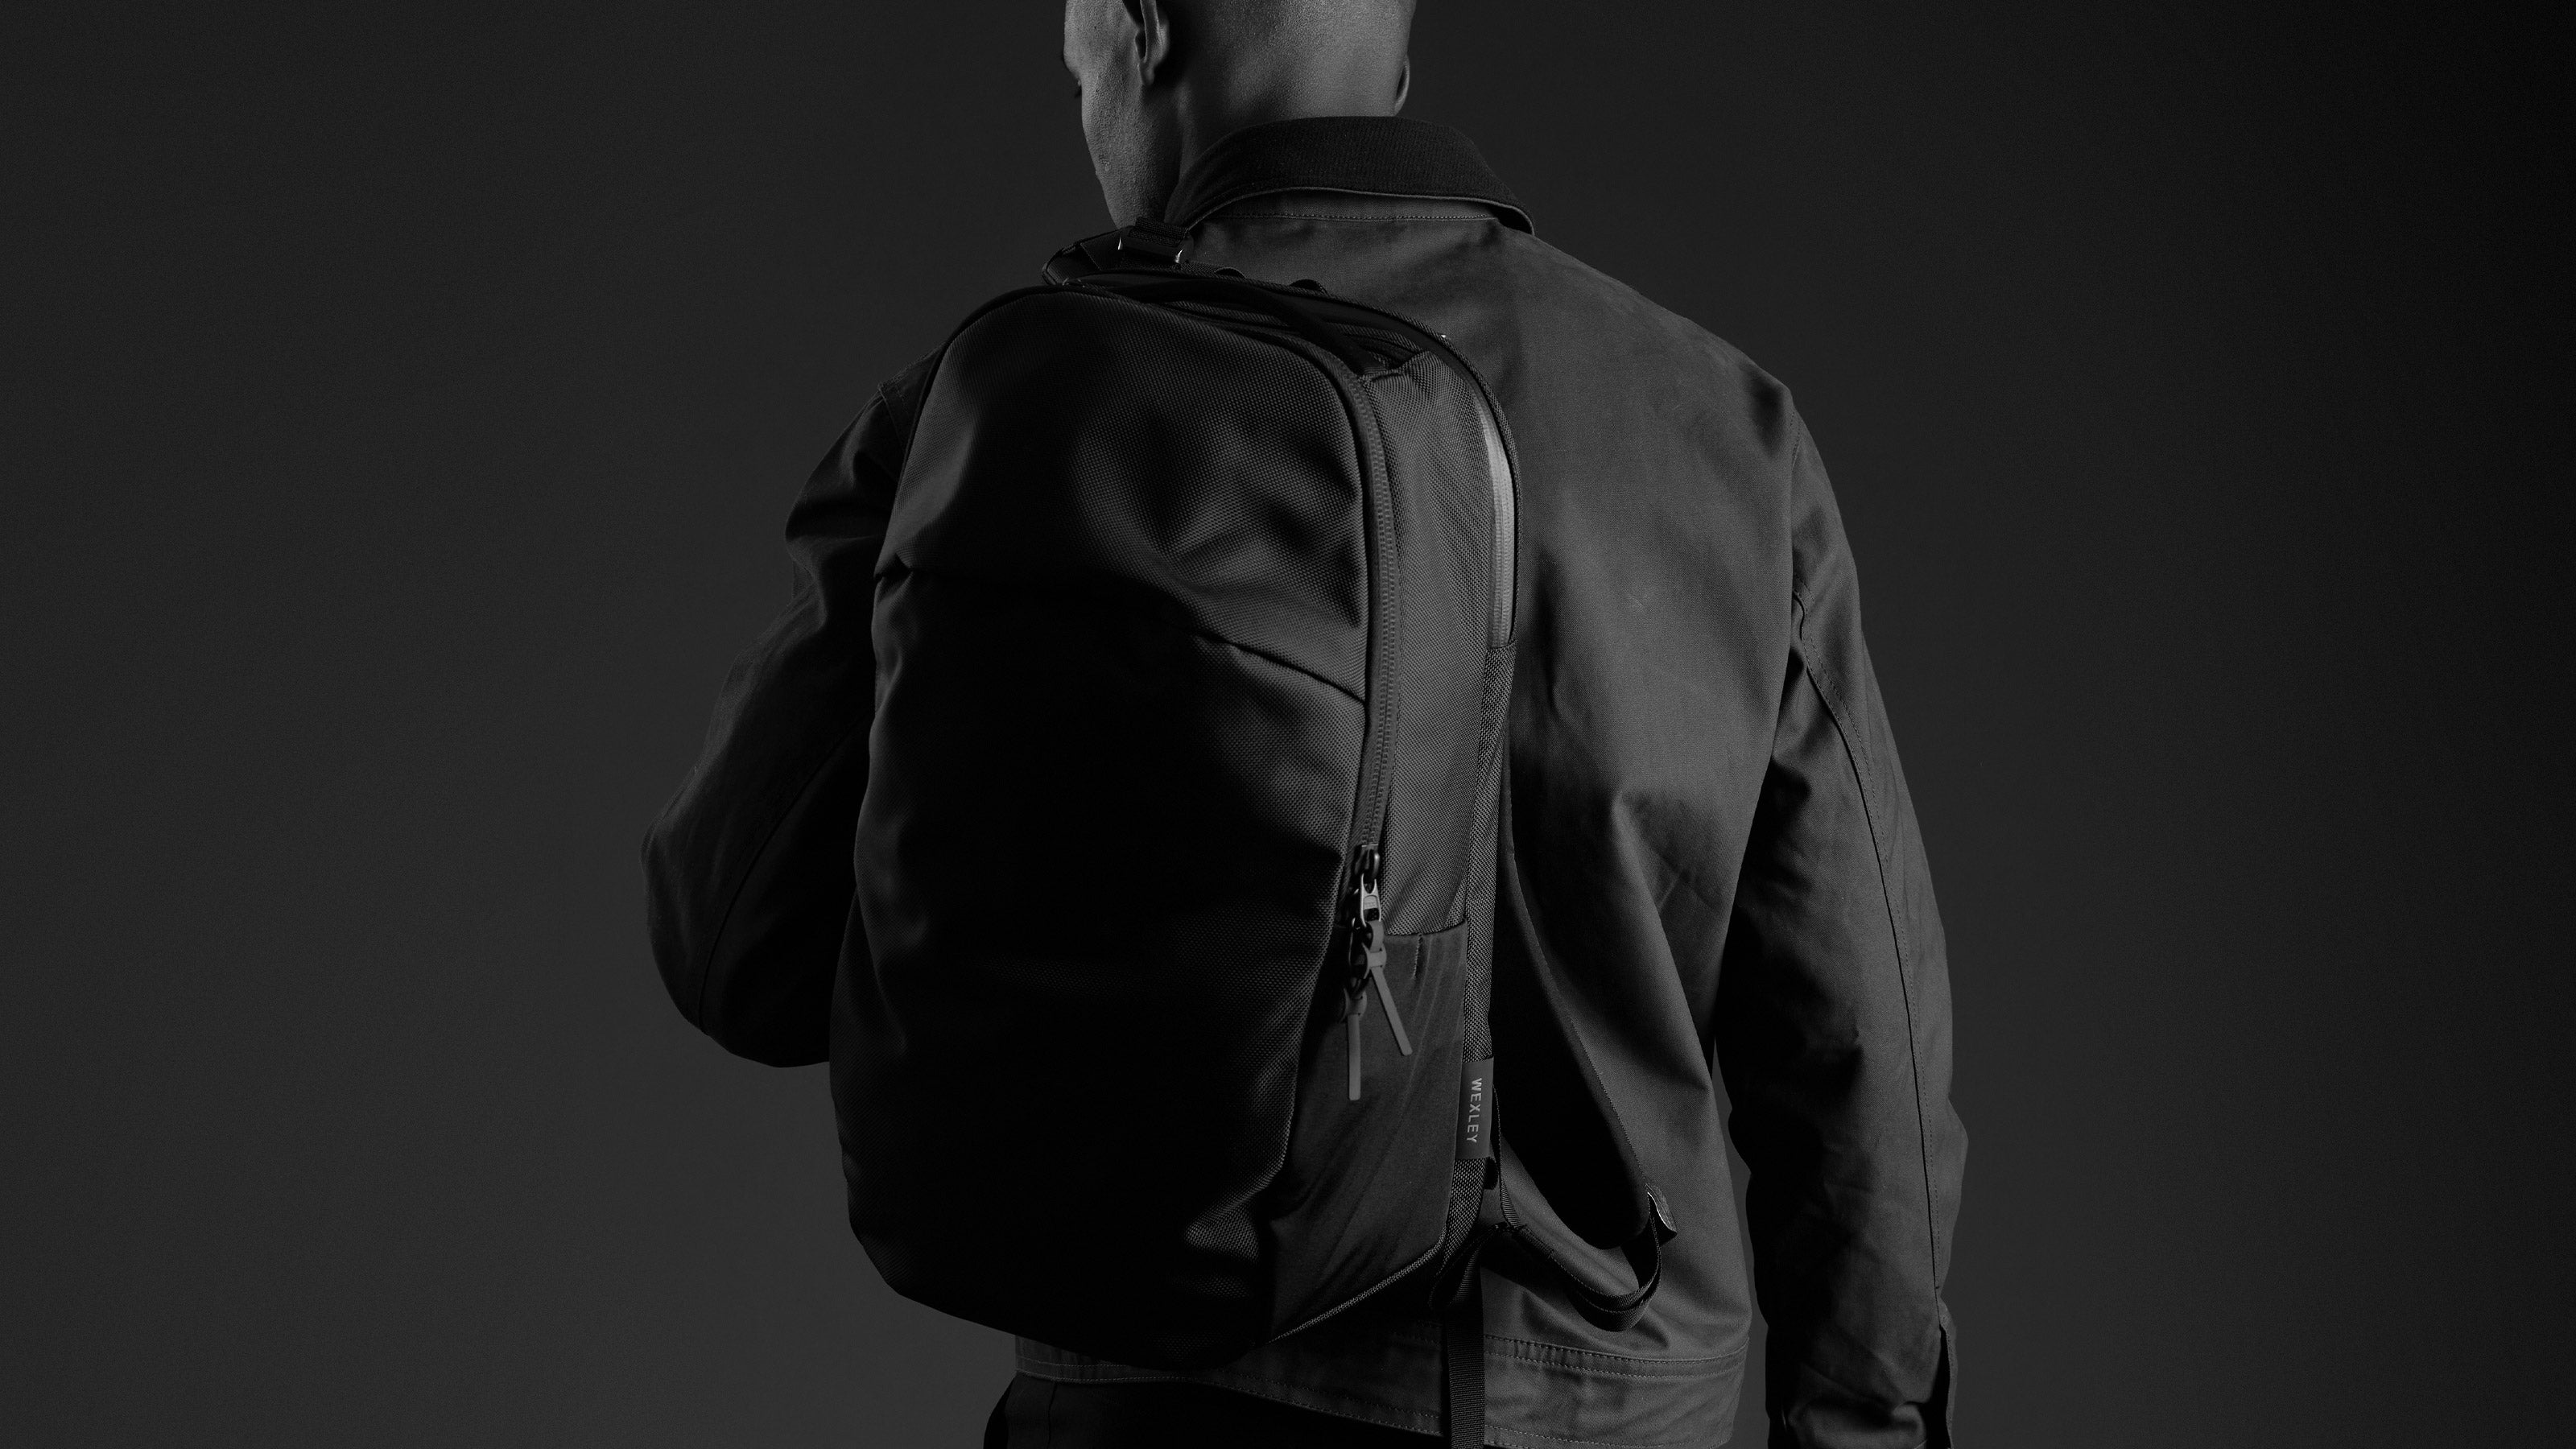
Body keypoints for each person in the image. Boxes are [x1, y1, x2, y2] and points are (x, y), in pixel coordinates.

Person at [642, 2, 1966, 1444]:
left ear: (1141, 25)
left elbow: (734, 948)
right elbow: (1861, 1067)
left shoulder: (995, 422)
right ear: (1393, 51)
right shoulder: (1728, 436)